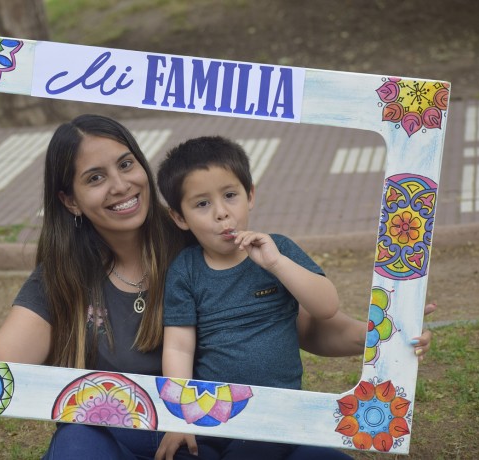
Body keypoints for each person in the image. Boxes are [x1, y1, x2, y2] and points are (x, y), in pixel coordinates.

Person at [0, 115, 434, 459]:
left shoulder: (204, 237)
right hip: (142, 440)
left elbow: (307, 323)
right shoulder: (63, 277)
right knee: (79, 441)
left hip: (249, 427)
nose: (120, 186)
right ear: (70, 200)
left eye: (126, 164)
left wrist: (386, 337)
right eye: (95, 178)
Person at [152, 136, 415, 459]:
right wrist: (179, 418)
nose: (221, 213)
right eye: (202, 204)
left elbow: (326, 306)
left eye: (230, 195)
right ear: (179, 217)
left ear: (250, 195)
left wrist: (276, 263)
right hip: (214, 415)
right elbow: (178, 347)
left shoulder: (278, 250)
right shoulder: (186, 270)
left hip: (280, 412)